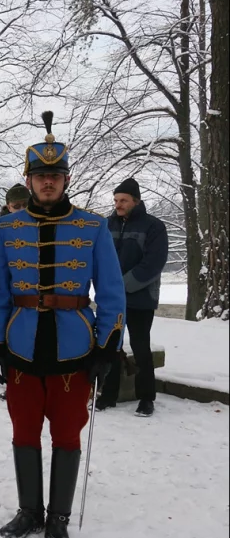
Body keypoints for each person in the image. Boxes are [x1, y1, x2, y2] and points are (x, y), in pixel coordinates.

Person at [0, 112, 126, 538]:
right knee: (24, 431)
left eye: (55, 175)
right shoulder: (5, 229)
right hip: (21, 344)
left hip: (74, 347)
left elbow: (111, 293)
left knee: (67, 434)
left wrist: (107, 345)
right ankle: (29, 511)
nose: (48, 182)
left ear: (66, 179)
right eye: (40, 175)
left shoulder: (93, 227)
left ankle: (58, 518)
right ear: (28, 180)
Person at [98, 178, 168, 417]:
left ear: (135, 201)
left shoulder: (153, 227)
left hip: (140, 298)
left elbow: (153, 264)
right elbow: (99, 258)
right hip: (112, 299)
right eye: (116, 200)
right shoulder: (106, 225)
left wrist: (120, 285)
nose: (118, 204)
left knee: (140, 347)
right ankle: (108, 395)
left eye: (123, 200)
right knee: (110, 346)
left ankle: (146, 398)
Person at [0, 184, 32, 400]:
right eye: (15, 206)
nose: (20, 210)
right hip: (9, 297)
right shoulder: (1, 230)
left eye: (24, 205)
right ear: (8, 207)